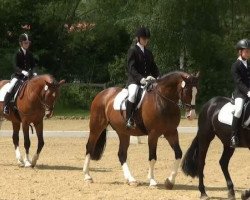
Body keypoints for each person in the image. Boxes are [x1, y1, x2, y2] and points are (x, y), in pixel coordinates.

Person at [126, 26, 159, 129]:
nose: (146, 40)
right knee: (132, 94)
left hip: (148, 81)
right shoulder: (133, 50)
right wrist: (140, 79)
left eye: (147, 38)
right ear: (138, 38)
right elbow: (131, 68)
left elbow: (153, 68)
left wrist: (158, 77)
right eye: (144, 38)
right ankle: (129, 119)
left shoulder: (148, 53)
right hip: (135, 81)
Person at [3, 33, 36, 115]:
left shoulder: (30, 54)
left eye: (28, 43)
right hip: (18, 76)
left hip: (28, 76)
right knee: (11, 87)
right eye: (25, 43)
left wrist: (32, 72)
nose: (27, 44)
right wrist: (22, 71)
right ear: (21, 43)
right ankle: (6, 106)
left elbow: (33, 65)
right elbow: (15, 66)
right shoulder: (17, 53)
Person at [230, 38, 250, 148]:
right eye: (246, 51)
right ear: (240, 52)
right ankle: (233, 136)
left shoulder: (249, 65)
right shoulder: (235, 66)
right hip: (240, 94)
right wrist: (248, 92)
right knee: (238, 110)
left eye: (249, 51)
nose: (248, 53)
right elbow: (239, 82)